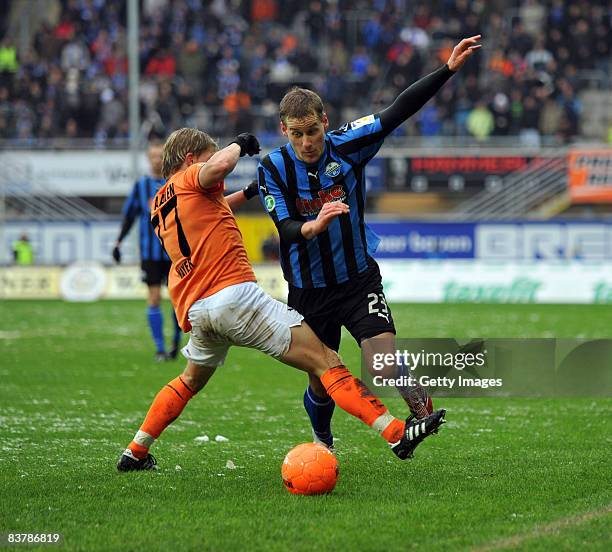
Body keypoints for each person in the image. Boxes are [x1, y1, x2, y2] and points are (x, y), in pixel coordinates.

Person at [116, 128, 446, 472]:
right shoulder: (192, 174)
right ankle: (396, 433)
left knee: (188, 381)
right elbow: (219, 167)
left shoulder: (160, 202)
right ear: (189, 159)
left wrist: (247, 192)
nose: (214, 160)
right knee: (325, 361)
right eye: (207, 155)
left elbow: (216, 207)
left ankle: (135, 451)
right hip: (235, 298)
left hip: (198, 310)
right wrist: (239, 145)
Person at [257, 35, 481, 448]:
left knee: (382, 362)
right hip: (308, 292)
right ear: (283, 131)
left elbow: (398, 110)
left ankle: (423, 413)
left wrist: (446, 70)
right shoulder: (272, 167)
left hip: (358, 279)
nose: (307, 143)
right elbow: (285, 227)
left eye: (312, 131)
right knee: (324, 382)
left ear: (325, 121)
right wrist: (314, 226)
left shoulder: (348, 143)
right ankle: (322, 437)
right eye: (296, 134)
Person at [112, 141, 182, 362]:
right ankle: (160, 348)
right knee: (153, 298)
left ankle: (175, 345)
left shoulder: (177, 183)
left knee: (177, 299)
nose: (157, 159)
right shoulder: (141, 186)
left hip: (174, 253)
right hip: (150, 254)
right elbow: (129, 216)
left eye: (160, 155)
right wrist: (118, 242)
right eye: (153, 156)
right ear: (148, 158)